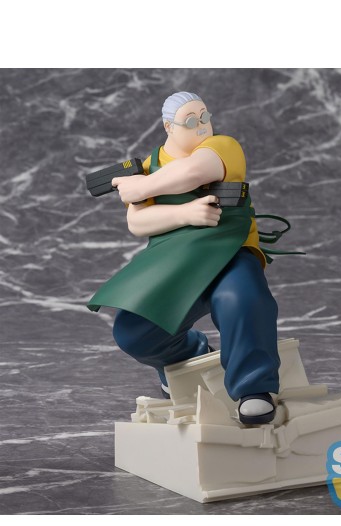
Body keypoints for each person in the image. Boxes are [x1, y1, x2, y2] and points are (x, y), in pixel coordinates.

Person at [87, 91, 281, 425]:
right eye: (191, 121)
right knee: (135, 330)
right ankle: (184, 361)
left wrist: (141, 188)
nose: (202, 125)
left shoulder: (222, 146)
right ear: (169, 126)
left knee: (241, 299)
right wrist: (185, 213)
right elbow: (138, 222)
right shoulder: (148, 167)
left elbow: (195, 171)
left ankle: (254, 389)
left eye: (205, 116)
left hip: (229, 252)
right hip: (174, 260)